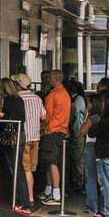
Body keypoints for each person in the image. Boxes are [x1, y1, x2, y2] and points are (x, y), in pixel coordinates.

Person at [0, 78, 31, 211]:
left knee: (15, 168)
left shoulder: (8, 100)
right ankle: (22, 200)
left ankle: (23, 201)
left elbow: (10, 118)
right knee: (18, 167)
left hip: (13, 137)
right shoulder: (18, 99)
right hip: (21, 135)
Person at [39, 69, 71, 206]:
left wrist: (41, 127)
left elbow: (47, 116)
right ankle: (49, 190)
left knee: (52, 163)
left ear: (55, 79)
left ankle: (56, 193)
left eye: (50, 78)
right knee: (52, 162)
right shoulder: (65, 94)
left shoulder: (53, 95)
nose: (48, 80)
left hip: (51, 131)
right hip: (62, 131)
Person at [13, 73, 45, 207]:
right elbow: (44, 117)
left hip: (24, 136)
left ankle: (29, 198)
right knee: (31, 168)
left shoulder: (18, 98)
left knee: (25, 169)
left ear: (19, 86)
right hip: (36, 137)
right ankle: (30, 196)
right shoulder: (37, 98)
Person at [80, 91, 102, 215]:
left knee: (91, 177)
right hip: (101, 146)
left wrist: (86, 116)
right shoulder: (103, 116)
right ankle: (103, 205)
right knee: (102, 178)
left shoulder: (92, 118)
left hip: (90, 146)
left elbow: (82, 131)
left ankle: (92, 206)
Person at [65, 78, 87, 194]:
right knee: (75, 157)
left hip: (78, 132)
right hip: (75, 131)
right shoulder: (78, 99)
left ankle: (80, 182)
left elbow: (74, 114)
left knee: (78, 158)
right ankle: (77, 181)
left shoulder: (78, 100)